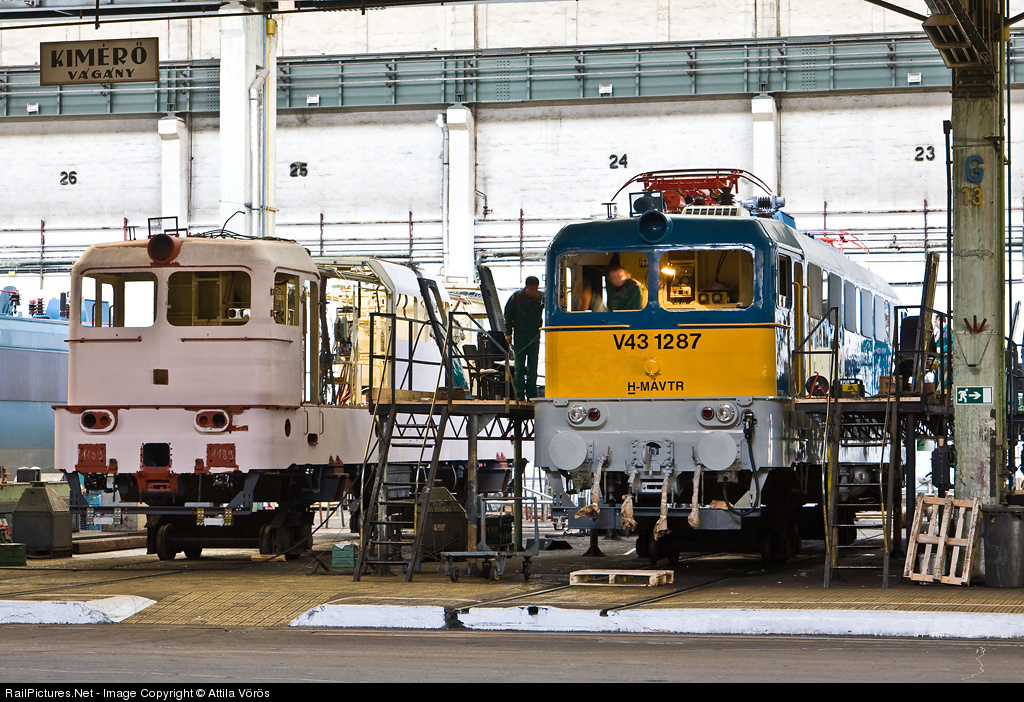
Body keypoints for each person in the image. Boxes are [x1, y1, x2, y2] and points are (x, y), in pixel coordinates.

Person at [503, 276, 544, 400]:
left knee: (533, 365)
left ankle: (531, 394)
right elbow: (508, 315)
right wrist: (508, 333)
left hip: (534, 334)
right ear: (526, 287)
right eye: (531, 289)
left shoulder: (541, 298)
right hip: (520, 334)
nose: (533, 292)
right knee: (519, 365)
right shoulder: (516, 297)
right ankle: (519, 394)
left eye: (535, 289)